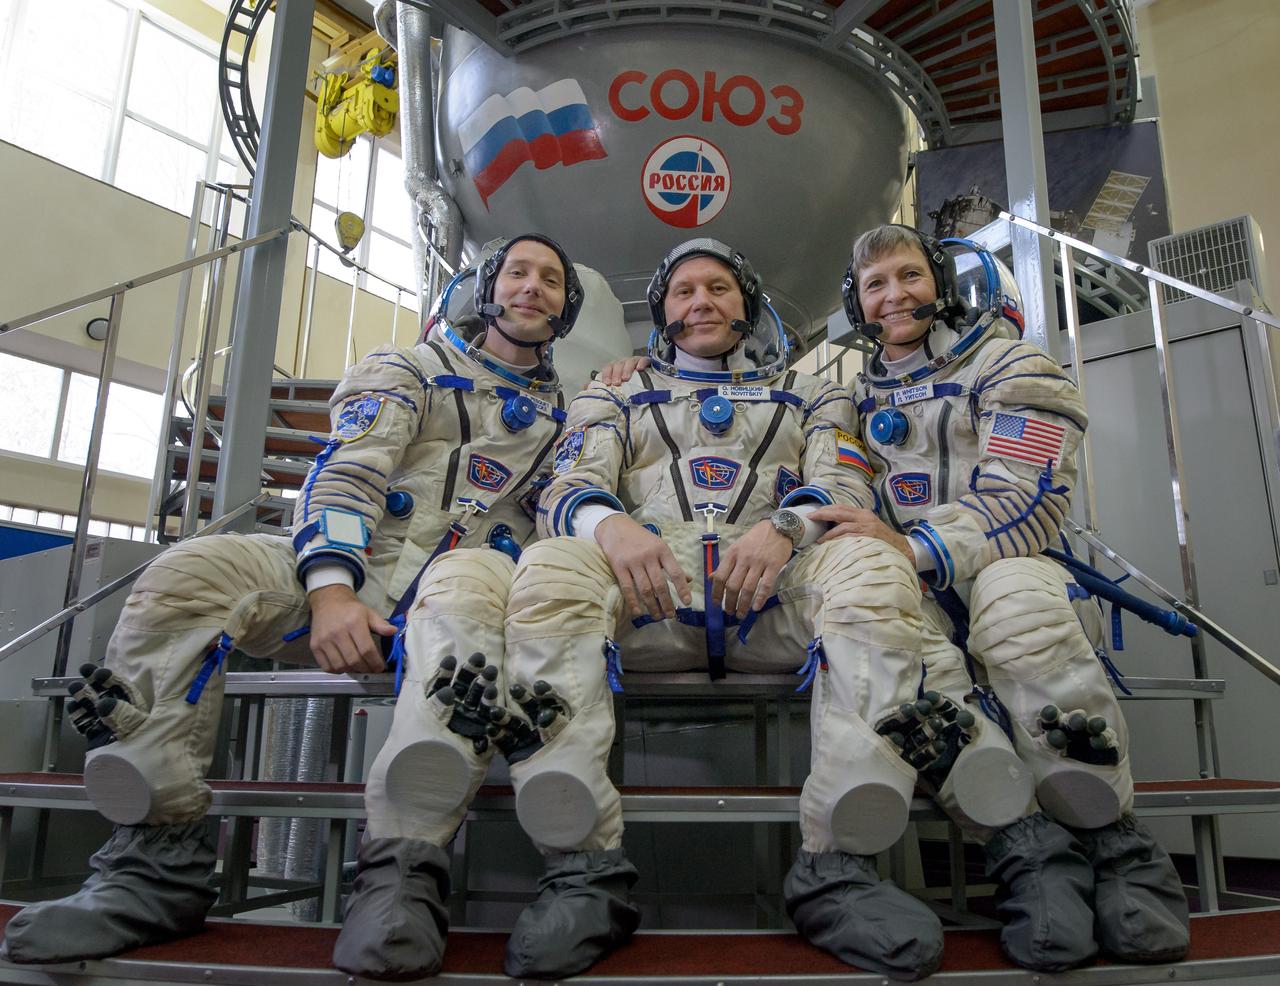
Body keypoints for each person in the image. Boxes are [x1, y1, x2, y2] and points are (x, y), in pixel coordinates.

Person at [1, 234, 584, 980]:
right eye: (517, 273)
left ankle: (402, 876)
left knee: (464, 601)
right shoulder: (409, 369)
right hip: (346, 566)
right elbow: (347, 474)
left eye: (551, 280)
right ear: (483, 290)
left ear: (568, 307)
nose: (532, 288)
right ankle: (153, 866)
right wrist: (333, 590)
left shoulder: (576, 418)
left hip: (458, 589)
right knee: (193, 569)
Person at [498, 237, 954, 983]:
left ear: (747, 305)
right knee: (552, 563)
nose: (701, 302)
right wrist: (612, 526)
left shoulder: (814, 391)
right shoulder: (611, 391)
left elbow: (844, 484)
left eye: (718, 288)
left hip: (773, 600)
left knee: (872, 562)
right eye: (683, 291)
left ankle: (838, 868)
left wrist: (785, 529)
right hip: (651, 601)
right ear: (661, 311)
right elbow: (566, 486)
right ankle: (581, 869)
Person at [820, 223, 1189, 970]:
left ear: (944, 284)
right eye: (875, 285)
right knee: (902, 665)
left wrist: (915, 547)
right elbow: (838, 488)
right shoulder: (847, 399)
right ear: (857, 306)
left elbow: (1028, 497)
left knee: (1019, 610)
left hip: (1010, 562)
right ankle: (1029, 856)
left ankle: (1118, 850)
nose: (894, 295)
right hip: (912, 585)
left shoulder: (1013, 364)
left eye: (908, 276)